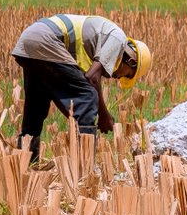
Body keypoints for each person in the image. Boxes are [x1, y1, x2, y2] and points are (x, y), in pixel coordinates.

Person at [11, 14, 151, 162]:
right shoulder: (118, 38)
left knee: (38, 102)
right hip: (47, 39)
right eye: (127, 75)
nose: (118, 78)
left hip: (29, 39)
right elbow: (92, 78)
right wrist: (104, 116)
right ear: (131, 61)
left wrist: (76, 119)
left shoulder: (93, 48)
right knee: (89, 95)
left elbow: (64, 94)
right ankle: (85, 167)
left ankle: (27, 163)